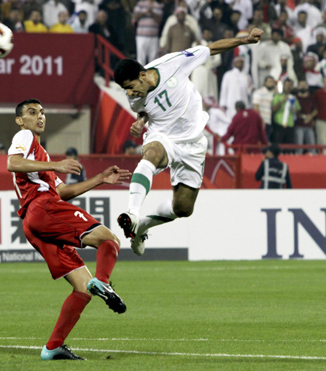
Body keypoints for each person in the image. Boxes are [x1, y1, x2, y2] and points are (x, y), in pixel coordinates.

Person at [113, 27, 264, 255]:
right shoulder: (133, 96)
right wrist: (141, 121)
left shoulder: (173, 63)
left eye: (132, 88)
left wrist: (245, 40)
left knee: (183, 208)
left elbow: (211, 48)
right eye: (126, 90)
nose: (130, 94)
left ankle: (142, 226)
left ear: (143, 75)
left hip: (192, 142)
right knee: (151, 154)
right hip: (163, 136)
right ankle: (132, 214)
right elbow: (145, 108)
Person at [7, 99, 131, 360]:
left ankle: (52, 348)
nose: (39, 117)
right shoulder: (25, 136)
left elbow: (63, 192)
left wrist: (100, 179)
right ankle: (105, 283)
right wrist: (56, 165)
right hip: (43, 208)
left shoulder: (41, 155)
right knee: (109, 240)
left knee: (83, 288)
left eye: (42, 112)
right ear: (20, 120)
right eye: (32, 113)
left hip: (34, 223)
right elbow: (12, 163)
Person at [253, 75, 276, 141]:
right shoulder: (259, 92)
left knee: (266, 141)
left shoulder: (272, 94)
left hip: (268, 121)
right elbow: (256, 107)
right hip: (261, 122)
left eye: (272, 82)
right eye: (270, 82)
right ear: (265, 83)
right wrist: (261, 120)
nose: (271, 83)